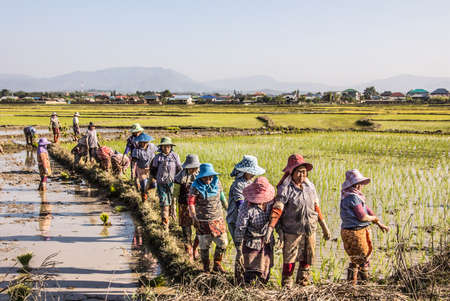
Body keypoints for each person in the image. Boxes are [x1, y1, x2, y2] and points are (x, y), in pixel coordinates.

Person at [265, 154, 331, 287]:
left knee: (307, 258)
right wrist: (270, 229)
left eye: (304, 172)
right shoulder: (285, 188)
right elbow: (278, 209)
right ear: (292, 172)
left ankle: (303, 285)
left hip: (309, 229)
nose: (302, 175)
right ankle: (287, 287)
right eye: (299, 172)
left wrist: (325, 228)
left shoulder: (309, 187)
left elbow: (316, 207)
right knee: (290, 260)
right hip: (292, 231)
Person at [340, 169, 389, 285]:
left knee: (356, 260)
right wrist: (373, 219)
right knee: (362, 260)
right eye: (358, 183)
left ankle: (352, 285)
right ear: (353, 185)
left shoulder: (354, 196)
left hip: (353, 231)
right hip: (355, 233)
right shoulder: (352, 197)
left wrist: (379, 223)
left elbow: (367, 210)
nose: (360, 186)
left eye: (360, 183)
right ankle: (363, 285)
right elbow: (362, 216)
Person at [188, 163, 228, 273]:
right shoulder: (195, 186)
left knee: (223, 242)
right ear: (201, 177)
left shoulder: (217, 183)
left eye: (210, 176)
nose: (208, 179)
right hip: (202, 220)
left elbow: (222, 197)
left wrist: (227, 208)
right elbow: (191, 202)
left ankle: (217, 264)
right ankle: (206, 267)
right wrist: (194, 216)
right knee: (204, 245)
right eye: (206, 177)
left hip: (217, 219)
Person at [235, 176, 275, 284]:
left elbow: (276, 218)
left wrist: (278, 232)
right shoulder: (246, 207)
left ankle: (262, 286)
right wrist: (239, 250)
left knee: (265, 270)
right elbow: (240, 228)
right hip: (251, 243)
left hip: (266, 241)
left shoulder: (271, 203)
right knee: (249, 272)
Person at [227, 155, 266, 244]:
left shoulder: (249, 182)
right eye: (251, 172)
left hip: (246, 218)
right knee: (240, 245)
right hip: (237, 218)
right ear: (244, 172)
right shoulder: (238, 184)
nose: (253, 175)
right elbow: (240, 203)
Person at [174, 154, 201, 262]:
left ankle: (195, 248)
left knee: (200, 229)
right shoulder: (179, 177)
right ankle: (189, 250)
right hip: (184, 206)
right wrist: (173, 208)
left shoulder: (201, 176)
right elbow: (175, 194)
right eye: (191, 167)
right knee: (186, 229)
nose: (193, 169)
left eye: (195, 167)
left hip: (197, 206)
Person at [151, 137, 182, 229]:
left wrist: (178, 182)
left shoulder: (175, 156)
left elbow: (179, 170)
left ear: (171, 147)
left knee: (173, 202)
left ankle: (173, 221)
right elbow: (153, 171)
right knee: (165, 203)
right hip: (161, 184)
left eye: (168, 146)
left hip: (172, 184)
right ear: (161, 147)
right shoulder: (157, 157)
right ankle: (165, 225)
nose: (166, 148)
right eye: (164, 146)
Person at [131, 133, 158, 201]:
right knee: (144, 184)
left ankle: (148, 193)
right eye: (141, 142)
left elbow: (158, 153)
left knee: (154, 185)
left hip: (151, 169)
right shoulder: (136, 150)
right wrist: (132, 171)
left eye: (145, 142)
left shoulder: (152, 146)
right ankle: (144, 198)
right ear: (139, 142)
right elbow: (134, 161)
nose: (143, 143)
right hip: (141, 169)